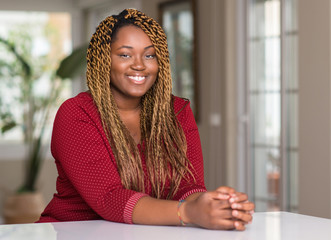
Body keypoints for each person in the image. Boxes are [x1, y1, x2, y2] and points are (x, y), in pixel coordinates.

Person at [37, 9, 254, 230]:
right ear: (104, 60)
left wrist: (213, 206)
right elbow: (109, 198)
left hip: (147, 233)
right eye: (125, 55)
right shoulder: (77, 113)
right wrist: (188, 212)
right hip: (73, 233)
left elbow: (188, 186)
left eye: (149, 55)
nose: (139, 65)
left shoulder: (177, 111)